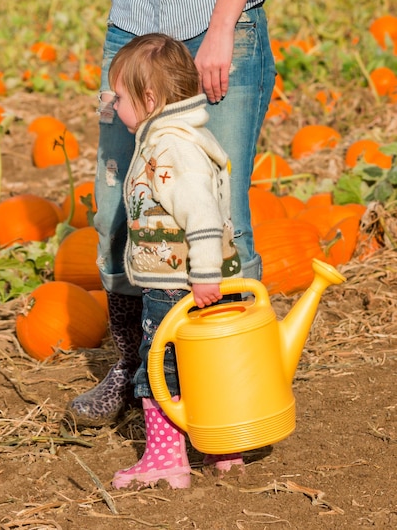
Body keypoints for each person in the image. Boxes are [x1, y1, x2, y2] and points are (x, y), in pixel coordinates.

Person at [65, 0, 277, 430]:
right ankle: (136, 367)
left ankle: (230, 385)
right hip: (134, 31)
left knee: (222, 217)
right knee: (117, 210)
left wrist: (223, 27)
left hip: (213, 27)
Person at [109, 32, 243, 489]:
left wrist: (203, 275)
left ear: (149, 98)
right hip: (195, 280)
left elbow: (201, 214)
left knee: (161, 368)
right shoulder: (179, 137)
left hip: (178, 285)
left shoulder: (171, 147)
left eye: (119, 97)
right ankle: (223, 447)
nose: (112, 105)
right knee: (207, 365)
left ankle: (167, 459)